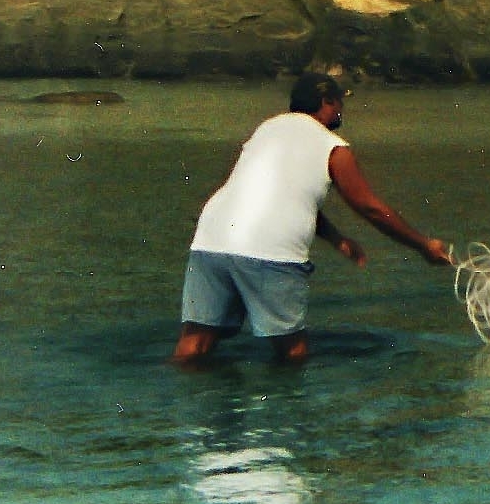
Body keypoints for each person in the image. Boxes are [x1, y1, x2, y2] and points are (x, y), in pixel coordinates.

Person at [173, 73, 452, 365]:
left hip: (210, 241)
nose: (341, 110)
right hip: (271, 250)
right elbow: (368, 207)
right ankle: (290, 409)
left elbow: (281, 196)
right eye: (339, 103)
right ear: (326, 102)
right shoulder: (333, 147)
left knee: (195, 343)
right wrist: (422, 245)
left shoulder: (266, 130)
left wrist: (337, 239)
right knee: (292, 352)